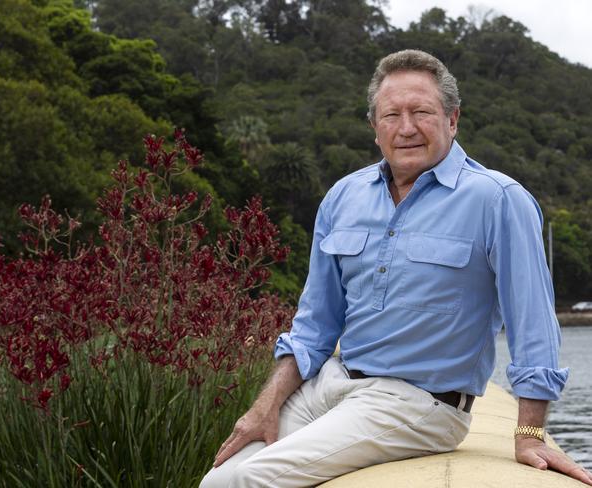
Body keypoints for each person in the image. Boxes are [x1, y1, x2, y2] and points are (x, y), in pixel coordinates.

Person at [199, 49, 592, 488]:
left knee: (249, 480)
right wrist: (263, 407)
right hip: (331, 385)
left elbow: (533, 323)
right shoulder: (343, 197)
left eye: (421, 112)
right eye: (391, 115)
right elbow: (314, 327)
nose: (406, 128)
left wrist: (530, 433)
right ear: (374, 128)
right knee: (218, 477)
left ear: (453, 119)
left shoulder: (498, 199)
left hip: (418, 404)